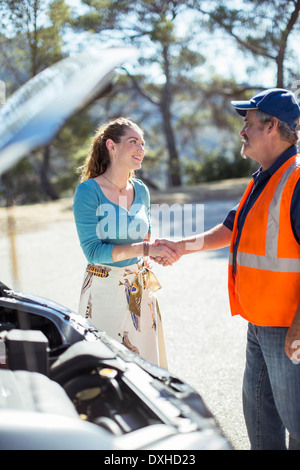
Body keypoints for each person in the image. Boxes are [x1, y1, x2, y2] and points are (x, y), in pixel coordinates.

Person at [154, 89, 300, 450]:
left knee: (297, 422)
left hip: (288, 326)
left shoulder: (296, 179)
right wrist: (180, 247)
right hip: (261, 321)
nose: (242, 132)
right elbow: (232, 227)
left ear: (272, 126)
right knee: (260, 417)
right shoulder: (265, 176)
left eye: (248, 124)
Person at [72, 117, 179, 369]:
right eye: (133, 142)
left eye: (143, 143)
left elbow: (145, 237)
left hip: (140, 291)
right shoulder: (88, 192)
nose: (142, 149)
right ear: (111, 146)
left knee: (146, 370)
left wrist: (157, 253)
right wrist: (145, 249)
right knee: (108, 371)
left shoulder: (141, 190)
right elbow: (93, 251)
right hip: (103, 291)